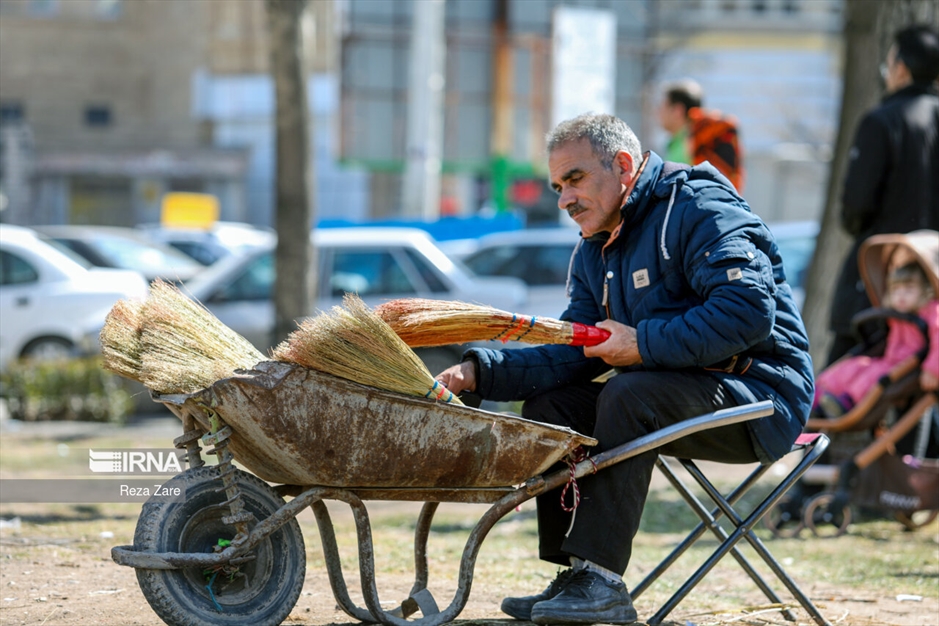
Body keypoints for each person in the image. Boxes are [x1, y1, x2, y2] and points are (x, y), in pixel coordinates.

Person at [436, 113, 813, 625]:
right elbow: (575, 350)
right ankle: (577, 573)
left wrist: (640, 345)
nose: (564, 199)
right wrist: (480, 372)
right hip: (676, 393)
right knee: (553, 407)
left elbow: (746, 311)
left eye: (574, 179)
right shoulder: (596, 247)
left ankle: (603, 580)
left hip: (763, 398)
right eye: (556, 187)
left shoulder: (699, 205)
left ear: (622, 165)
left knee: (629, 393)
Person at [827, 24, 939, 365]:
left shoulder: (882, 121)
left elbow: (856, 205)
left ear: (900, 68)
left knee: (841, 387)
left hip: (879, 276)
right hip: (933, 275)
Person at [815, 260, 939, 418]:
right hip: (889, 361)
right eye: (896, 290)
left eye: (909, 289)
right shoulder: (896, 315)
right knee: (855, 365)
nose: (901, 296)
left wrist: (933, 370)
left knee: (873, 375)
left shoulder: (931, 311)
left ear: (925, 290)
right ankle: (818, 394)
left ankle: (847, 402)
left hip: (907, 368)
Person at [657, 78, 744, 192]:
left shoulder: (691, 141)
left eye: (663, 107)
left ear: (678, 110)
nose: (658, 113)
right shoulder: (677, 141)